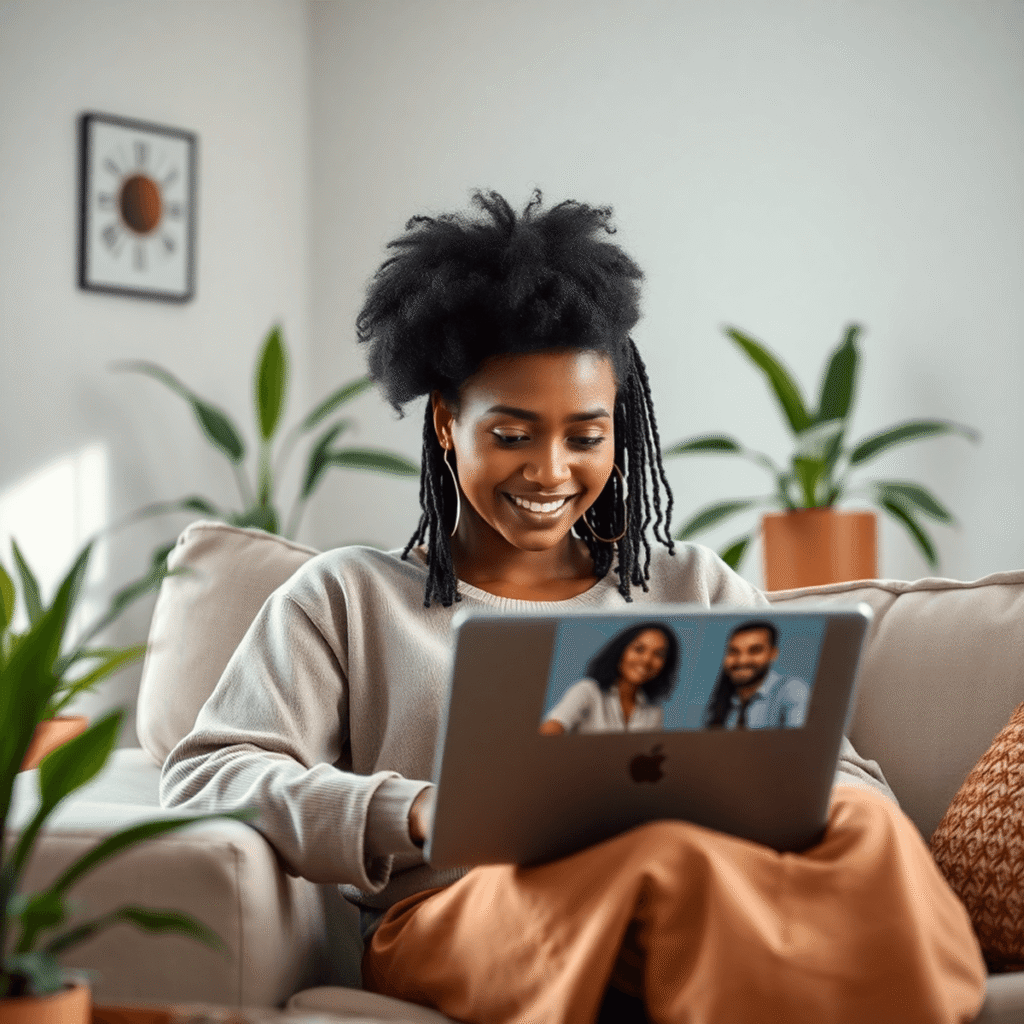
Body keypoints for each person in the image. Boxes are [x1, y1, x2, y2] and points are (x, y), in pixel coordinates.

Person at [160, 192, 985, 1024]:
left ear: (617, 431)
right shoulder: (350, 598)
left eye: (584, 437)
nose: (551, 472)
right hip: (469, 914)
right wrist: (412, 809)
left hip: (713, 883)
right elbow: (208, 774)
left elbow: (838, 774)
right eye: (513, 435)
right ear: (448, 425)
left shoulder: (690, 586)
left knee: (862, 824)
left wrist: (811, 795)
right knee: (664, 853)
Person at [540, 622, 678, 734]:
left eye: (658, 654)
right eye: (639, 649)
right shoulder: (587, 690)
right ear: (621, 651)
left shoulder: (654, 711)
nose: (647, 660)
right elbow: (550, 729)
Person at [704, 619, 809, 729]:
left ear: (773, 654)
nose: (742, 661)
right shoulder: (722, 701)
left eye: (754, 651)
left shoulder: (792, 690)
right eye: (733, 651)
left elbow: (800, 743)